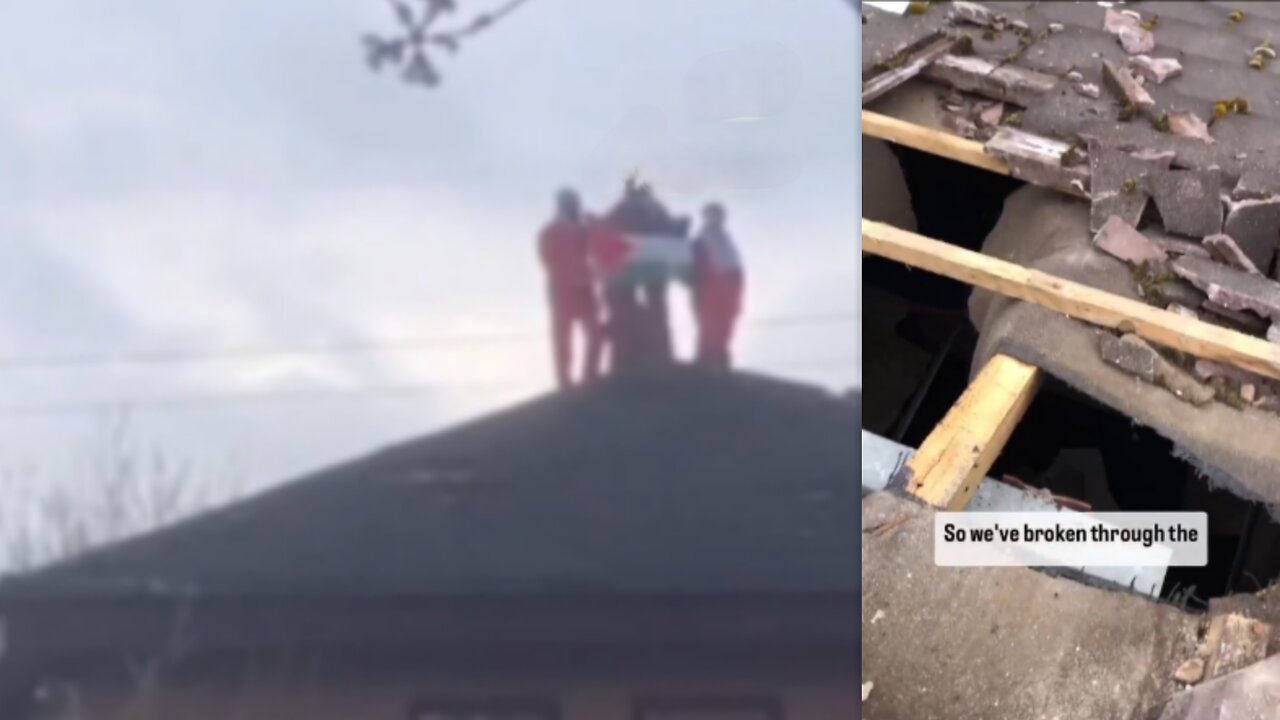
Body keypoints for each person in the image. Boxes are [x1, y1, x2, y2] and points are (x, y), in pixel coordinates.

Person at [538, 188, 602, 389]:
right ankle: (564, 382)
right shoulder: (549, 231)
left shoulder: (584, 230)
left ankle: (590, 374)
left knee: (595, 333)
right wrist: (574, 276)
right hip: (562, 290)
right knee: (563, 338)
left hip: (585, 290)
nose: (575, 206)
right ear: (561, 205)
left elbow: (602, 247)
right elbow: (549, 261)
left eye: (575, 202)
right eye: (570, 202)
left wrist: (596, 225)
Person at [690, 202, 744, 370]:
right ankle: (706, 360)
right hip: (708, 290)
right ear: (706, 218)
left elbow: (737, 271)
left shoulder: (728, 242)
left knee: (725, 327)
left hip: (729, 291)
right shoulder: (700, 242)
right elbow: (694, 270)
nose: (716, 219)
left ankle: (720, 358)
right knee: (708, 326)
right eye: (712, 215)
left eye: (719, 215)